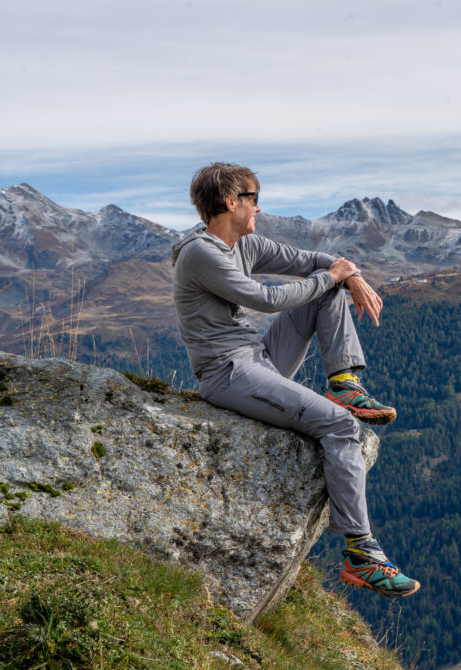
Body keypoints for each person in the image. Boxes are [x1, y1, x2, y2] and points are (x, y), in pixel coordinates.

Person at [171, 162, 419, 598]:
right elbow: (266, 300)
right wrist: (335, 275)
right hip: (228, 373)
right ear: (232, 202)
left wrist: (351, 276)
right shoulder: (201, 253)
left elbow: (315, 263)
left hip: (259, 358)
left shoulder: (243, 243)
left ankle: (343, 382)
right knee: (341, 425)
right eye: (252, 199)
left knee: (328, 287)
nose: (258, 208)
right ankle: (361, 555)